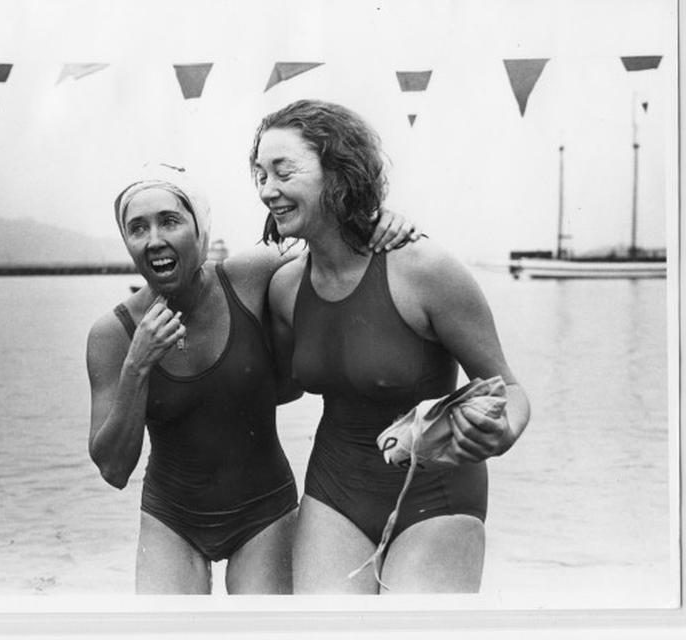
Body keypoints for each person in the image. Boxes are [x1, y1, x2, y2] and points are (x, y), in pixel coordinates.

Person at [86, 163, 416, 594]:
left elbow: (333, 245)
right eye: (137, 228)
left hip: (264, 514)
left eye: (170, 221)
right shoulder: (113, 335)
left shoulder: (249, 278)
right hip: (172, 518)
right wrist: (137, 365)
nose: (155, 240)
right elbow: (113, 469)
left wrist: (379, 220)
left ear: (200, 228)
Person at [251, 99, 531, 594]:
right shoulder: (285, 289)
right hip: (334, 490)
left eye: (283, 170)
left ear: (338, 171)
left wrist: (500, 432)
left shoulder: (424, 270)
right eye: (260, 175)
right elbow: (278, 388)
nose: (268, 189)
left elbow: (507, 387)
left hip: (437, 490)